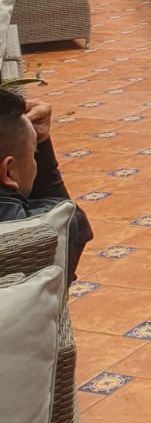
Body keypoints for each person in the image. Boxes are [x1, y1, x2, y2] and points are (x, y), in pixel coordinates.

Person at [0, 88, 93, 280]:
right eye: (34, 154)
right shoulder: (43, 235)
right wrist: (42, 143)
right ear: (9, 171)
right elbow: (63, 214)